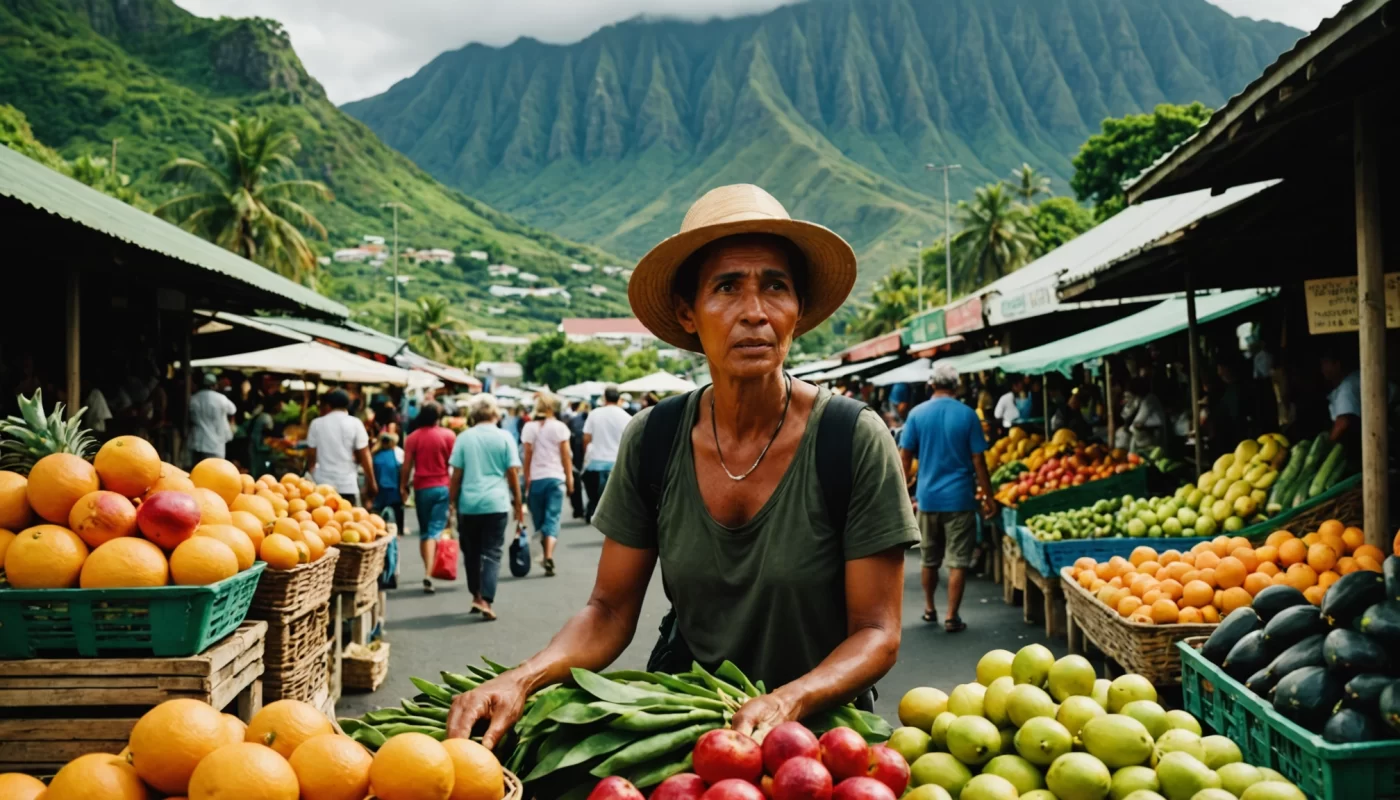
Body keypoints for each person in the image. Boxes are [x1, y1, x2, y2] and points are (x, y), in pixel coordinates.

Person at [445, 184, 916, 747]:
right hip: (689, 730)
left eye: (775, 286)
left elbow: (877, 632)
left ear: (799, 310)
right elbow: (609, 609)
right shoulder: (656, 439)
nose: (755, 313)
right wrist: (523, 679)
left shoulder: (850, 438)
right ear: (687, 314)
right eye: (726, 288)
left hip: (821, 738)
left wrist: (790, 699)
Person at [899, 364, 995, 633]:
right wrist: (989, 496)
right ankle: (952, 616)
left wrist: (900, 492)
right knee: (958, 560)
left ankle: (930, 609)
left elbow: (904, 457)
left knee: (929, 558)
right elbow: (979, 461)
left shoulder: (916, 415)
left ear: (932, 385)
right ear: (956, 386)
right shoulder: (967, 415)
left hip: (927, 499)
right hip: (961, 498)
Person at [448, 393, 523, 620]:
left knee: (471, 552)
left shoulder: (464, 438)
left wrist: (451, 502)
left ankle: (476, 595)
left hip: (469, 504)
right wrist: (519, 502)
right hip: (496, 503)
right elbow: (512, 473)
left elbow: (456, 475)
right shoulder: (505, 437)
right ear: (494, 414)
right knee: (492, 551)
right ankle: (486, 600)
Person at [402, 401, 457, 594]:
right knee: (435, 530)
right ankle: (428, 572)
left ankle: (428, 570)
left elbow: (407, 465)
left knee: (426, 530)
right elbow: (455, 464)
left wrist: (403, 486)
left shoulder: (412, 438)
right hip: (442, 487)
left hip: (421, 488)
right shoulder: (448, 435)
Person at [521, 393, 573, 577]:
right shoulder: (560, 427)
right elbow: (566, 456)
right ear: (551, 409)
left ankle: (545, 555)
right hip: (556, 478)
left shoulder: (529, 427)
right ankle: (549, 555)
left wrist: (526, 477)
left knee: (539, 521)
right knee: (552, 519)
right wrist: (570, 478)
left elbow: (527, 456)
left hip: (537, 478)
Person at [306, 388, 376, 506]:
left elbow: (311, 454)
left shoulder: (316, 424)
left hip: (322, 484)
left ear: (328, 405)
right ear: (348, 404)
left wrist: (312, 472)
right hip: (347, 484)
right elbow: (365, 455)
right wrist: (372, 482)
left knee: (322, 520)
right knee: (345, 521)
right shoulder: (355, 423)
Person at [581, 386, 630, 524]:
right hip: (617, 463)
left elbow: (586, 438)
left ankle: (595, 512)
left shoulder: (595, 414)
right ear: (619, 398)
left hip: (596, 462)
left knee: (595, 495)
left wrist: (587, 452)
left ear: (604, 398)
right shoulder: (625, 416)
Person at [189, 372, 236, 464]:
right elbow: (233, 410)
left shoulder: (194, 398)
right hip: (216, 445)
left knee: (197, 472)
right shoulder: (221, 398)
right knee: (215, 472)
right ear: (215, 385)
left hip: (198, 443)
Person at [372, 432, 405, 540]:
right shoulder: (395, 453)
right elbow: (401, 470)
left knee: (378, 514)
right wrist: (403, 487)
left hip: (379, 489)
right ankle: (399, 531)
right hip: (393, 488)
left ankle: (379, 532)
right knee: (398, 510)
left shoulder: (375, 456)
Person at [247, 395, 283, 476]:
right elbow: (268, 434)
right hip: (258, 449)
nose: (282, 406)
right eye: (280, 404)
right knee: (259, 472)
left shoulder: (263, 415)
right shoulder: (266, 418)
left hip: (256, 447)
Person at [567, 401, 590, 519]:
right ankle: (586, 509)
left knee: (577, 484)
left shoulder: (573, 420)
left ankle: (579, 509)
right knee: (588, 485)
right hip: (588, 457)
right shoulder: (591, 419)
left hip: (576, 456)